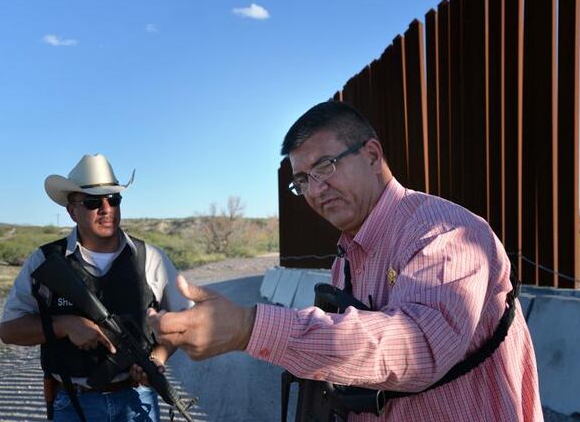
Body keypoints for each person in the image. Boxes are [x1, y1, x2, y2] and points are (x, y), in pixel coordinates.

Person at [149, 102, 543, 421]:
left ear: (371, 155)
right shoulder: (348, 254)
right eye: (301, 180)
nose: (315, 190)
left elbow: (418, 347)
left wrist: (249, 328)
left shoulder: (444, 233)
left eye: (325, 166)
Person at [0, 153, 191, 422]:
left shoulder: (150, 258)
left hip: (137, 399)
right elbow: (9, 331)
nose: (106, 208)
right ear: (71, 210)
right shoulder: (45, 261)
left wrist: (157, 358)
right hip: (73, 403)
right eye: (92, 202)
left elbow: (183, 321)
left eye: (113, 199)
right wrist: (65, 325)